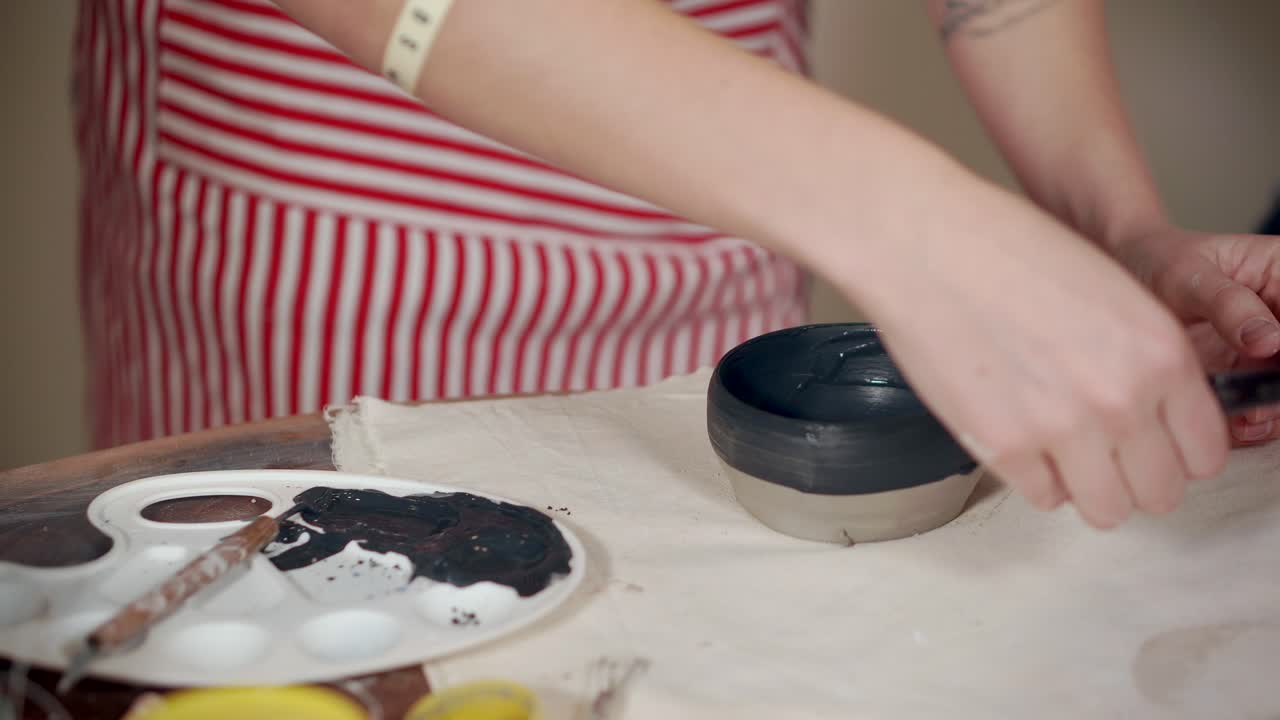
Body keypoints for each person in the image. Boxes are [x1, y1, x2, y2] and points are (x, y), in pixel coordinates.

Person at [75, 0, 1280, 529]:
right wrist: (911, 222)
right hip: (336, 210)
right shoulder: (878, 209)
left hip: (725, 209)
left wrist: (1117, 229)